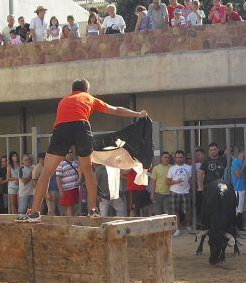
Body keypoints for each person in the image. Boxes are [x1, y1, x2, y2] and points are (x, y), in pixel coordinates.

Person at [25, 79, 147, 222]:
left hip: (61, 128)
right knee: (88, 170)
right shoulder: (89, 98)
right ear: (86, 90)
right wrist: (139, 114)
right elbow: (115, 109)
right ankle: (93, 210)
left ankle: (34, 213)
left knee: (46, 172)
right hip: (81, 126)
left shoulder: (64, 100)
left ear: (72, 90)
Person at [167, 150, 192, 236]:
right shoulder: (171, 168)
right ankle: (177, 229)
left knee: (187, 211)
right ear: (175, 158)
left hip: (185, 191)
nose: (179, 159)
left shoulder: (189, 168)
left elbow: (191, 180)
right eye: (177, 157)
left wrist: (191, 189)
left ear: (183, 158)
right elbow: (167, 182)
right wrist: (176, 182)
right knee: (175, 212)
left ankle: (189, 226)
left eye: (181, 157)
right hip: (174, 192)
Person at [56, 148, 81, 217]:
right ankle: (70, 222)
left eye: (71, 152)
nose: (70, 154)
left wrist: (80, 177)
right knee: (69, 207)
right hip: (67, 189)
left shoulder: (76, 162)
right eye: (68, 152)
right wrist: (60, 190)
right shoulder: (61, 164)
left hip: (75, 187)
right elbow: (58, 178)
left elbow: (80, 170)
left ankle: (71, 220)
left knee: (74, 206)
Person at [231, 146, 246, 230]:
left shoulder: (242, 161)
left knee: (240, 209)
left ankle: (239, 227)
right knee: (238, 209)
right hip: (238, 188)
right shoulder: (236, 161)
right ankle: (236, 227)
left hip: (242, 188)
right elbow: (237, 175)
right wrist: (244, 165)